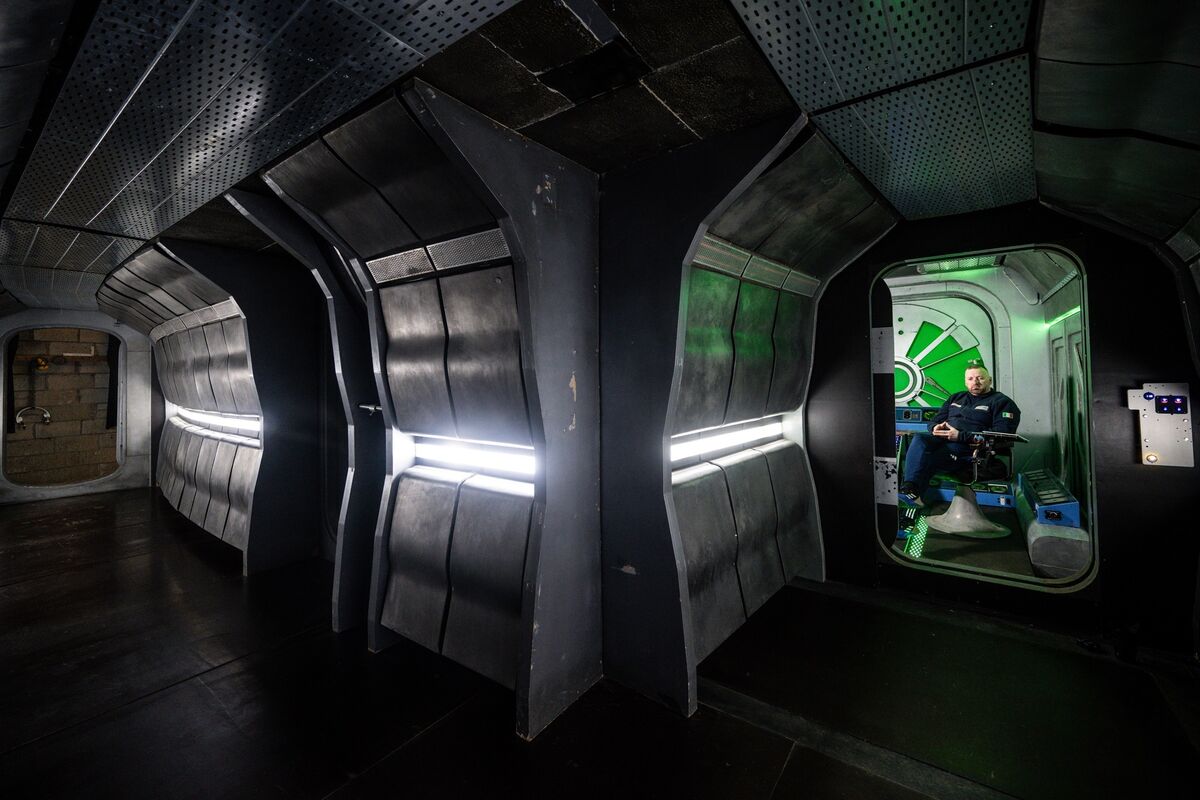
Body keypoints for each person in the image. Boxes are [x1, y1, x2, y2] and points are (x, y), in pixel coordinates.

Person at [899, 363, 1020, 506]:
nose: (975, 382)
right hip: (942, 438)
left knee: (929, 457)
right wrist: (934, 427)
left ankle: (913, 496)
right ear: (965, 382)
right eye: (970, 378)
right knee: (919, 438)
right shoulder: (956, 397)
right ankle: (910, 487)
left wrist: (961, 436)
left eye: (980, 378)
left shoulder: (1002, 402)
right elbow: (935, 420)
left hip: (967, 447)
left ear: (990, 380)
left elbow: (1002, 435)